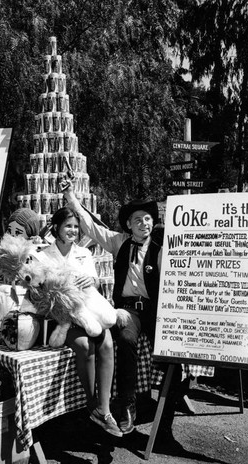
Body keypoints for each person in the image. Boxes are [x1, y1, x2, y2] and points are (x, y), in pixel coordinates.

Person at [63, 183, 182, 445]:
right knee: (127, 339)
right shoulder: (119, 243)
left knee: (175, 360)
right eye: (138, 220)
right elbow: (91, 226)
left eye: (148, 219)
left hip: (158, 311)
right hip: (129, 310)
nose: (144, 224)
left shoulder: (163, 249)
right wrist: (71, 197)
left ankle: (165, 426)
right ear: (128, 224)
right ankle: (128, 404)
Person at [33, 206, 122, 438]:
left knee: (107, 342)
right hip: (62, 316)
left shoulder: (84, 253)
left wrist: (89, 279)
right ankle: (92, 405)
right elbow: (40, 293)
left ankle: (105, 409)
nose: (72, 230)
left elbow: (93, 282)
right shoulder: (42, 256)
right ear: (56, 228)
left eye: (75, 226)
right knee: (85, 345)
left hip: (87, 308)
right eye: (67, 226)